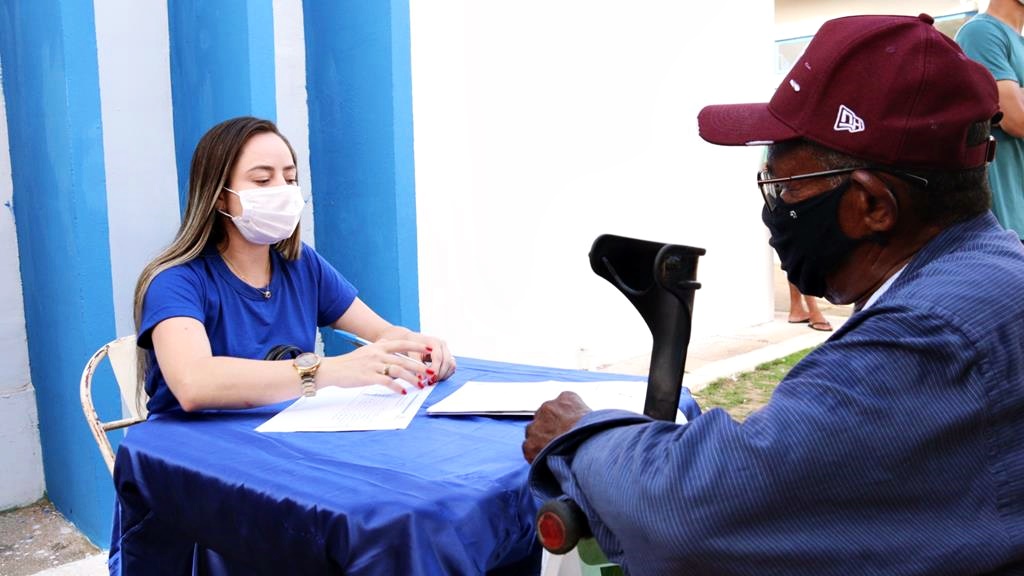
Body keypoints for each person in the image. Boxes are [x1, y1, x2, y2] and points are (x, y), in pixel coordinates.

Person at [523, 14, 1024, 575]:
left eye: (783, 185)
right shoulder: (991, 271)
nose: (771, 208)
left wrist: (580, 437)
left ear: (873, 207)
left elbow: (696, 515)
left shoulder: (930, 333)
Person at [133, 116, 455, 414]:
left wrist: (419, 349)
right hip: (195, 455)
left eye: (289, 178)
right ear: (219, 196)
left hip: (281, 435)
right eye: (262, 180)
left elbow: (381, 332)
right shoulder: (175, 282)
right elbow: (193, 383)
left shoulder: (301, 264)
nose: (282, 190)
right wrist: (328, 370)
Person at [957, 0, 1024, 243]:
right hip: (1005, 214)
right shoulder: (982, 32)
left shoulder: (1018, 43)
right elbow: (1016, 119)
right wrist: (1014, 98)